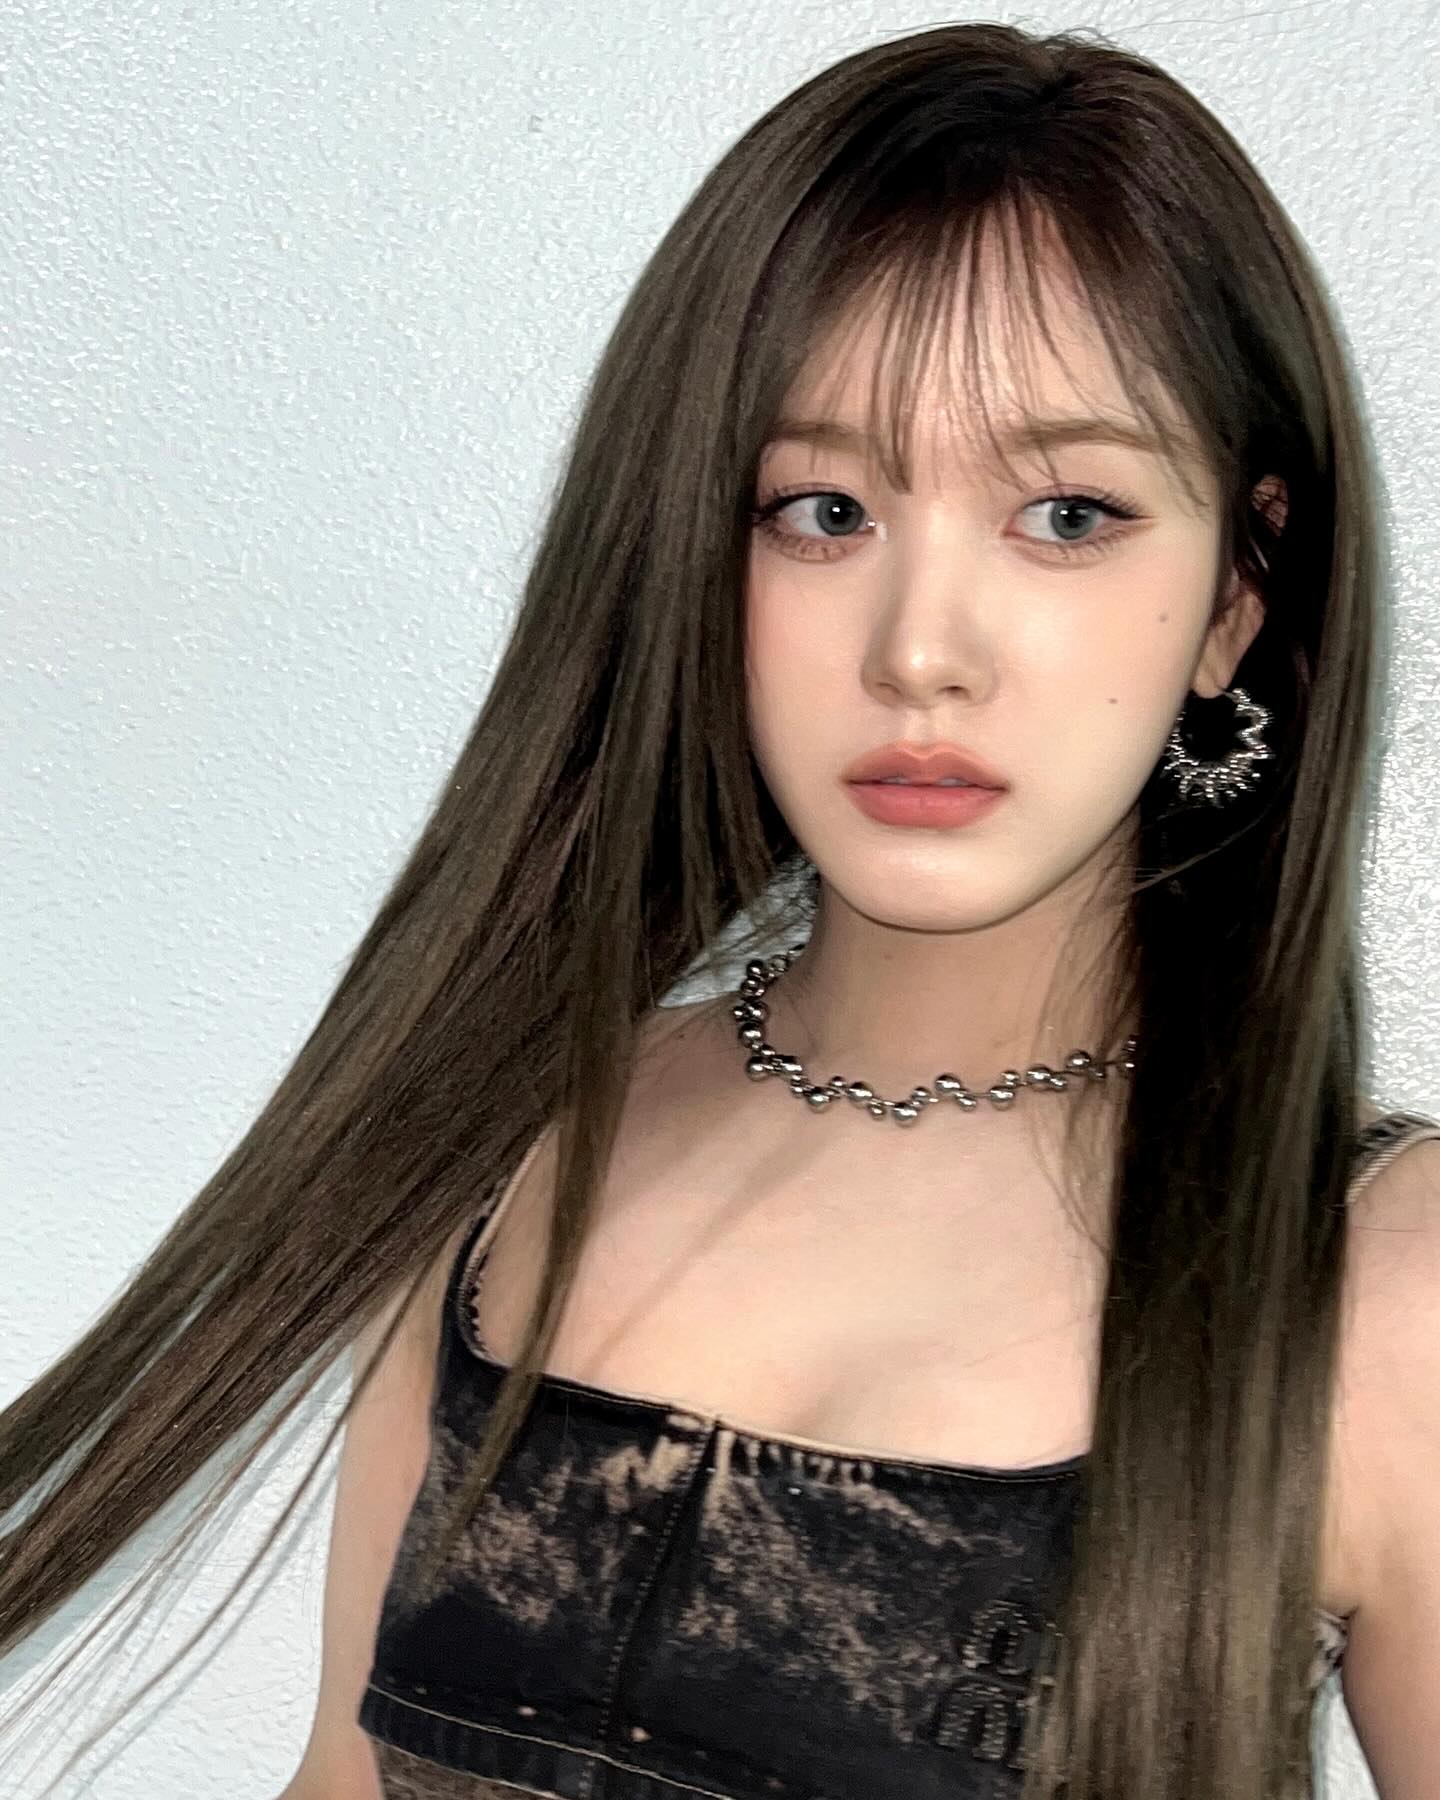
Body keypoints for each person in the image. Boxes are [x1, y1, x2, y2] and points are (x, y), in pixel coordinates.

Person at [2, 20, 1437, 1800]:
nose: (920, 649)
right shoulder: (514, 1141)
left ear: (1237, 594)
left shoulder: (1385, 1289)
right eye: (821, 509)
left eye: (1068, 515)